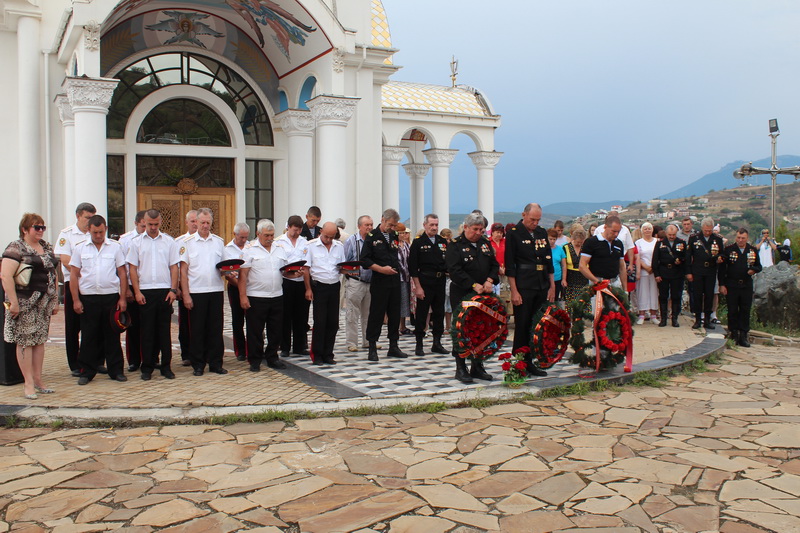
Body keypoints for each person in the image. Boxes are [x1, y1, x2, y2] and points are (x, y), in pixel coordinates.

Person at [2, 214, 59, 399]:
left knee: (39, 340)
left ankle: (38, 380)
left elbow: (53, 272)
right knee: (25, 341)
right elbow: (5, 276)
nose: (41, 230)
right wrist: (13, 302)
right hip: (24, 301)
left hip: (43, 302)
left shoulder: (46, 246)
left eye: (43, 227)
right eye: (36, 227)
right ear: (25, 229)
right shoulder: (16, 247)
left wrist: (55, 298)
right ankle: (28, 383)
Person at [70, 215, 128, 385]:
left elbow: (122, 273)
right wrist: (75, 300)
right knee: (89, 336)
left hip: (110, 297)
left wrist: (123, 298)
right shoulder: (80, 248)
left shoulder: (115, 247)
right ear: (89, 230)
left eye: (101, 232)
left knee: (112, 335)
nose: (98, 235)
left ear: (106, 229)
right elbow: (74, 275)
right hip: (88, 298)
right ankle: (87, 372)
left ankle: (116, 370)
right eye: (95, 232)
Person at [446, 213, 499, 383]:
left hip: (484, 295)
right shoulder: (455, 245)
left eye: (481, 229)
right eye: (475, 229)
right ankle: (461, 367)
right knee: (462, 330)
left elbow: (494, 264)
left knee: (481, 330)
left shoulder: (485, 243)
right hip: (463, 293)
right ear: (466, 227)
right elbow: (454, 270)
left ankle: (477, 366)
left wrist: (490, 280)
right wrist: (473, 284)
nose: (478, 232)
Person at [127, 209, 178, 380]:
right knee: (147, 332)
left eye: (156, 224)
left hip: (164, 290)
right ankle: (147, 368)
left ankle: (166, 367)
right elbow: (132, 269)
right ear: (144, 222)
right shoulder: (136, 242)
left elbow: (174, 267)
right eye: (150, 224)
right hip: (146, 290)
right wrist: (137, 291)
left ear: (160, 223)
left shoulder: (169, 242)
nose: (153, 228)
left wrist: (173, 290)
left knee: (164, 331)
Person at [505, 203, 554, 377]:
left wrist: (551, 286)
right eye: (532, 219)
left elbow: (548, 260)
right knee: (522, 325)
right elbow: (510, 264)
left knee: (536, 326)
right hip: (523, 284)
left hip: (541, 284)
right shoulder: (513, 233)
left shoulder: (541, 232)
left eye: (538, 219)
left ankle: (530, 361)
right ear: (524, 215)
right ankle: (518, 363)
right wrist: (514, 290)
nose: (535, 223)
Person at [179, 208, 227, 376]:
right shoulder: (187, 243)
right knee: (197, 330)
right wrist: (185, 294)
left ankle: (215, 363)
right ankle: (198, 364)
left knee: (215, 329)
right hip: (196, 291)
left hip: (215, 290)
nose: (205, 226)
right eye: (202, 223)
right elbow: (183, 272)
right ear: (196, 223)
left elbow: (223, 267)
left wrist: (229, 271)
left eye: (208, 223)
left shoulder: (218, 242)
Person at [239, 219, 289, 371]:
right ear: (258, 234)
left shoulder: (280, 248)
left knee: (275, 330)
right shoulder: (249, 250)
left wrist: (294, 273)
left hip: (276, 295)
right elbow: (243, 276)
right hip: (256, 296)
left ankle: (272, 357)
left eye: (272, 235)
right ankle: (254, 360)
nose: (269, 238)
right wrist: (243, 296)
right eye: (266, 235)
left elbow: (285, 272)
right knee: (255, 330)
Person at [360, 208, 408, 361]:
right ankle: (372, 347)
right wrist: (381, 269)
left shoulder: (393, 236)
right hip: (380, 281)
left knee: (394, 314)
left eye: (395, 226)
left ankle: (393, 346)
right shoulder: (372, 236)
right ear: (383, 220)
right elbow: (365, 260)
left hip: (394, 280)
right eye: (390, 225)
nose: (393, 228)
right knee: (377, 314)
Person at [55, 202, 96, 376]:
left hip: (93, 286)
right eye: (87, 217)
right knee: (73, 326)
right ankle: (74, 363)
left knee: (94, 324)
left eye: (92, 218)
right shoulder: (67, 234)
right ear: (78, 216)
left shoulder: (95, 234)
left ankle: (94, 361)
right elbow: (65, 259)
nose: (89, 221)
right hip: (74, 284)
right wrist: (82, 273)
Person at [304, 221, 346, 365]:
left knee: (333, 322)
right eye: (326, 236)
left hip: (334, 285)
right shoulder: (311, 246)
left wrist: (351, 269)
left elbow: (341, 267)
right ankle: (317, 354)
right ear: (321, 231)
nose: (328, 240)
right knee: (320, 321)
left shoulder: (339, 247)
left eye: (331, 237)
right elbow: (306, 269)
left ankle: (328, 354)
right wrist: (308, 289)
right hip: (319, 286)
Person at [409, 214, 449, 356]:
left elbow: (447, 263)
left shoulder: (443, 242)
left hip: (440, 281)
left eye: (436, 225)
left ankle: (437, 343)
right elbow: (413, 267)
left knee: (439, 313)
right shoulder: (418, 242)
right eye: (431, 225)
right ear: (424, 225)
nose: (434, 227)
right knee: (422, 313)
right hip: (425, 281)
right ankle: (419, 344)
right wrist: (417, 287)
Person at [719, 228, 762, 347]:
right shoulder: (729, 250)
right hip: (731, 284)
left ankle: (743, 335)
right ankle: (733, 333)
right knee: (732, 310)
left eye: (743, 238)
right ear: (735, 237)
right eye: (738, 237)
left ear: (747, 238)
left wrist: (753, 270)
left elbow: (759, 266)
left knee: (745, 310)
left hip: (746, 285)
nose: (740, 240)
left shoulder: (752, 250)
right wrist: (721, 284)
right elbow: (722, 269)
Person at [275, 215, 310, 357]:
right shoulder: (280, 242)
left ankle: (299, 346)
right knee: (285, 315)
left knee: (301, 315)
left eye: (299, 230)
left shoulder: (304, 242)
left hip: (300, 281)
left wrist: (308, 287)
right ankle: (284, 346)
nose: (296, 233)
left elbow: (307, 264)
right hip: (286, 281)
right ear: (288, 227)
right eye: (294, 230)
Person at [119, 210, 146, 372]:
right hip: (131, 286)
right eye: (143, 226)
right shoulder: (125, 240)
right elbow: (122, 267)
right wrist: (126, 290)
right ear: (136, 224)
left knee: (150, 325)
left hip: (148, 286)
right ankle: (134, 360)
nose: (145, 229)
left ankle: (151, 357)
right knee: (133, 325)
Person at [685, 217, 724, 330]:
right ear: (702, 228)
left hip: (711, 271)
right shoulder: (694, 238)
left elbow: (722, 254)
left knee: (709, 295)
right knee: (697, 295)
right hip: (697, 270)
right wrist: (688, 272)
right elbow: (688, 256)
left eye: (710, 230)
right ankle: (698, 319)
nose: (708, 232)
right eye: (706, 230)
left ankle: (707, 319)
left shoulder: (717, 239)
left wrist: (720, 258)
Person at [343, 215, 374, 352]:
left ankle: (367, 341)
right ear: (359, 226)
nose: (369, 227)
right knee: (352, 313)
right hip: (356, 282)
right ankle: (351, 342)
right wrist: (350, 272)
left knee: (368, 314)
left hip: (370, 282)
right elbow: (344, 261)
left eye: (371, 225)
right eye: (366, 225)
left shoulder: (373, 241)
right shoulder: (351, 241)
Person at [223, 222, 250, 361]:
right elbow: (227, 273)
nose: (244, 240)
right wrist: (239, 286)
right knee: (237, 319)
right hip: (234, 287)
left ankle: (252, 347)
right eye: (241, 238)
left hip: (250, 288)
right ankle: (240, 350)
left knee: (252, 319)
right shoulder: (227, 249)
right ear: (235, 235)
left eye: (246, 237)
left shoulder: (251, 247)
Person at [579, 215, 628, 291]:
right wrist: (597, 282)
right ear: (605, 227)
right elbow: (582, 265)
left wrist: (625, 290)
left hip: (614, 283)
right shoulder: (592, 242)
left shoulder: (619, 243)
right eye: (613, 231)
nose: (616, 234)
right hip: (597, 283)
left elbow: (622, 267)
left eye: (618, 231)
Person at [175, 209, 198, 366]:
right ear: (187, 223)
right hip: (185, 289)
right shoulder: (179, 242)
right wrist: (177, 288)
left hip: (201, 288)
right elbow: (175, 267)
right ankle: (187, 354)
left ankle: (202, 352)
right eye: (192, 221)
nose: (195, 224)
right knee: (185, 324)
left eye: (198, 221)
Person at [652, 223, 685, 328]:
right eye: (670, 234)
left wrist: (681, 261)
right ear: (666, 233)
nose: (671, 237)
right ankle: (663, 319)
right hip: (663, 272)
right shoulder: (660, 243)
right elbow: (655, 260)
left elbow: (686, 257)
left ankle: (674, 318)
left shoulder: (681, 243)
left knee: (676, 296)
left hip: (677, 273)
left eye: (674, 234)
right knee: (663, 296)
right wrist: (657, 274)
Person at [594, 211, 635, 277]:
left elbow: (630, 247)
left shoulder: (625, 230)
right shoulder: (599, 229)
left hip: (620, 260)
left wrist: (630, 264)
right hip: (602, 261)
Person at [635, 222, 659, 325]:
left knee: (654, 292)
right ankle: (642, 315)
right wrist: (646, 267)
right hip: (643, 271)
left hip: (655, 271)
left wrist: (653, 268)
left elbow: (659, 255)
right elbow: (637, 257)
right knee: (642, 292)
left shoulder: (657, 242)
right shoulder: (638, 242)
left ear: (652, 230)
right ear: (642, 230)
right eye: (645, 229)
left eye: (649, 228)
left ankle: (654, 315)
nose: (647, 230)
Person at [562, 225, 588, 305]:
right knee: (571, 304)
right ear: (573, 239)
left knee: (583, 303)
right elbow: (564, 265)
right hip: (570, 278)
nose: (579, 244)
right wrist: (564, 279)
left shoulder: (586, 247)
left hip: (583, 278)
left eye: (581, 242)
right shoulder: (566, 247)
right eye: (577, 242)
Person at [396, 223, 413, 336]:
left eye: (404, 233)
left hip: (406, 277)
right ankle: (397, 326)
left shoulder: (406, 245)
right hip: (398, 277)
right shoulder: (394, 245)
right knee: (398, 302)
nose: (402, 235)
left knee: (405, 302)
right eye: (400, 233)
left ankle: (403, 325)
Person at [440, 228, 454, 331]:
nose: (447, 241)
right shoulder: (440, 249)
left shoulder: (453, 249)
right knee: (444, 302)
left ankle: (450, 325)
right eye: (445, 239)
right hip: (443, 278)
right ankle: (445, 325)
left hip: (452, 278)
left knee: (451, 303)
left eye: (449, 239)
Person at [548, 228, 566, 306]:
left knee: (554, 300)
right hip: (545, 279)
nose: (552, 241)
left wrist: (564, 279)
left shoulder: (560, 249)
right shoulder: (543, 249)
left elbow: (564, 265)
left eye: (554, 239)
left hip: (557, 278)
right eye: (550, 239)